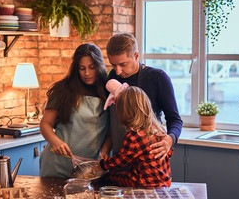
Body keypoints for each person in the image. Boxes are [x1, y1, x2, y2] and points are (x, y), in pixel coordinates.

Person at [101, 33, 182, 160]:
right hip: (120, 157)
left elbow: (175, 119)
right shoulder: (113, 77)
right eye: (113, 65)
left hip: (148, 158)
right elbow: (112, 121)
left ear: (136, 56)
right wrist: (106, 148)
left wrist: (170, 139)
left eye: (123, 64)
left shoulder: (158, 78)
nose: (118, 71)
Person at [39, 43, 109, 178]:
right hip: (56, 163)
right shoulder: (63, 89)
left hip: (89, 167)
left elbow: (110, 131)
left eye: (92, 68)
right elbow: (45, 124)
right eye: (82, 68)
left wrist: (105, 150)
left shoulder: (107, 91)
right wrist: (56, 142)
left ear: (99, 66)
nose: (87, 73)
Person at [96, 85, 173, 187]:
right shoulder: (159, 129)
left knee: (109, 176)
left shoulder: (134, 136)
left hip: (142, 183)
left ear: (124, 112)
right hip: (164, 181)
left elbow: (121, 160)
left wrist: (101, 165)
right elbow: (169, 152)